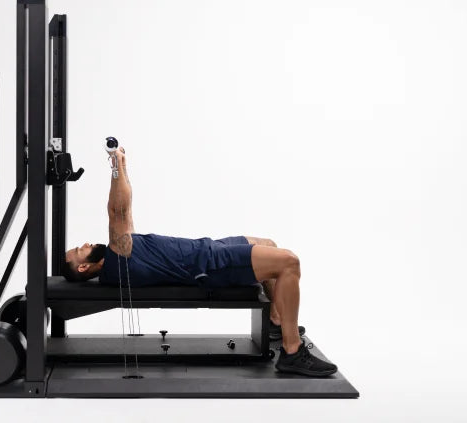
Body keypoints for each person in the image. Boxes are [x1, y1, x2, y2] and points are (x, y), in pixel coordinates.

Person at [62, 147, 338, 377]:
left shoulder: (120, 252)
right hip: (209, 266)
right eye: (79, 251)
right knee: (289, 262)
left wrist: (123, 164)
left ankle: (276, 323)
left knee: (268, 245)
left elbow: (126, 208)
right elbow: (117, 210)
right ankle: (292, 351)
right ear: (84, 267)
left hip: (208, 248)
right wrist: (114, 168)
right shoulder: (118, 260)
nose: (85, 244)